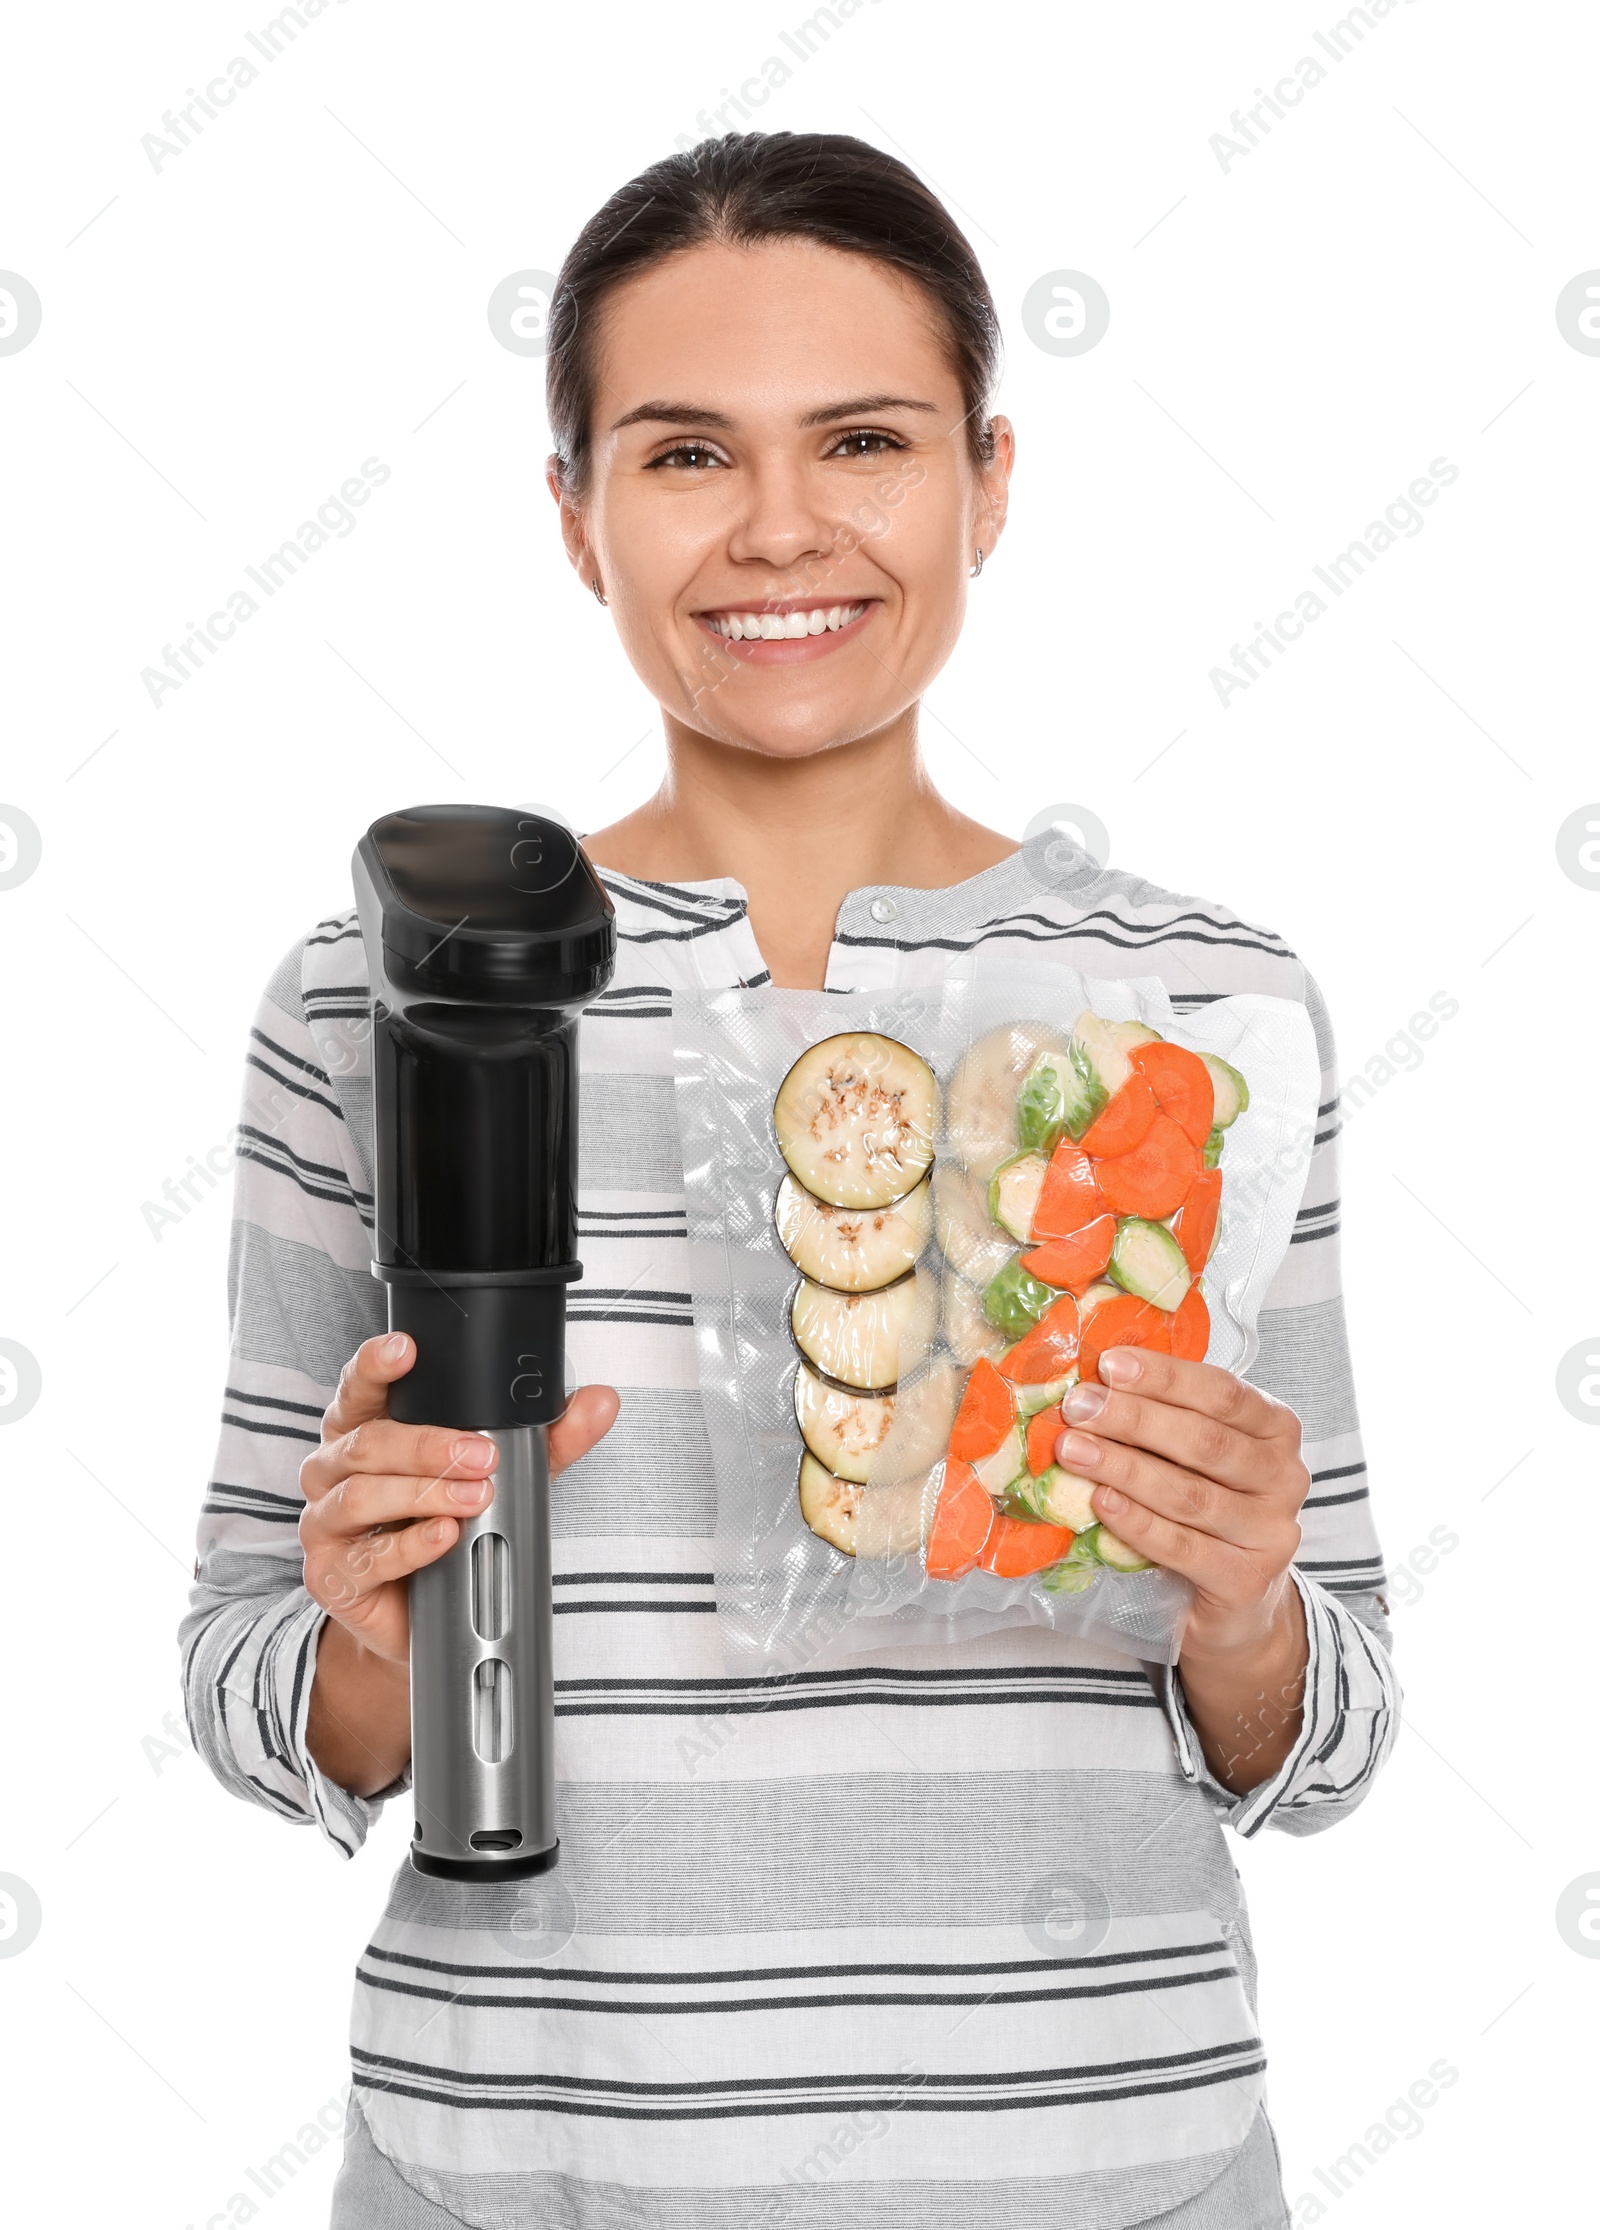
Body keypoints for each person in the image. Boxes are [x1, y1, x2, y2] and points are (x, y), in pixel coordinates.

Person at [180, 131, 1397, 2230]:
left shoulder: (1201, 1008)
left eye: (860, 438)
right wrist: (373, 1636)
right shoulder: (384, 997)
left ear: (986, 477)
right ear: (573, 514)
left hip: (1107, 2163)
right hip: (519, 2170)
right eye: (678, 454)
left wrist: (1242, 1594)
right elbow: (248, 1675)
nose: (777, 531)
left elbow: (1326, 1722)